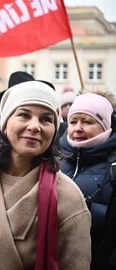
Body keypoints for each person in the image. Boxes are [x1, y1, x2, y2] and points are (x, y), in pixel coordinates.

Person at [0, 81, 91, 269]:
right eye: (24, 115)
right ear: (5, 123)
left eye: (46, 119)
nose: (34, 126)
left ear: (54, 130)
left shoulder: (68, 196)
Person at [59, 92, 116, 269]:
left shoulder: (113, 166)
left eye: (88, 121)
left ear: (105, 126)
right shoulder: (55, 160)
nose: (78, 128)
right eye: (73, 121)